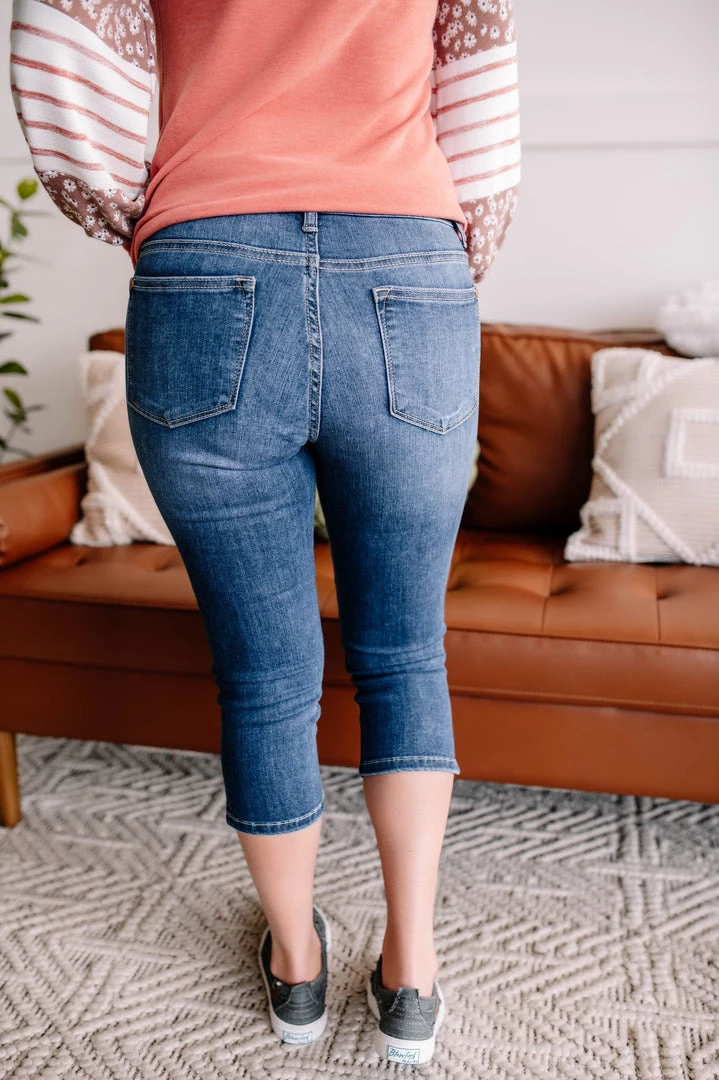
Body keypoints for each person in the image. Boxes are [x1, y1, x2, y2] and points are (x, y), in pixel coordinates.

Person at [10, 0, 520, 1065]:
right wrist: (452, 235)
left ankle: (296, 969)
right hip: (406, 262)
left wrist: (140, 208)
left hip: (206, 252)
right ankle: (411, 974)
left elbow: (59, 33)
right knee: (404, 652)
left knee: (262, 676)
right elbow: (480, 62)